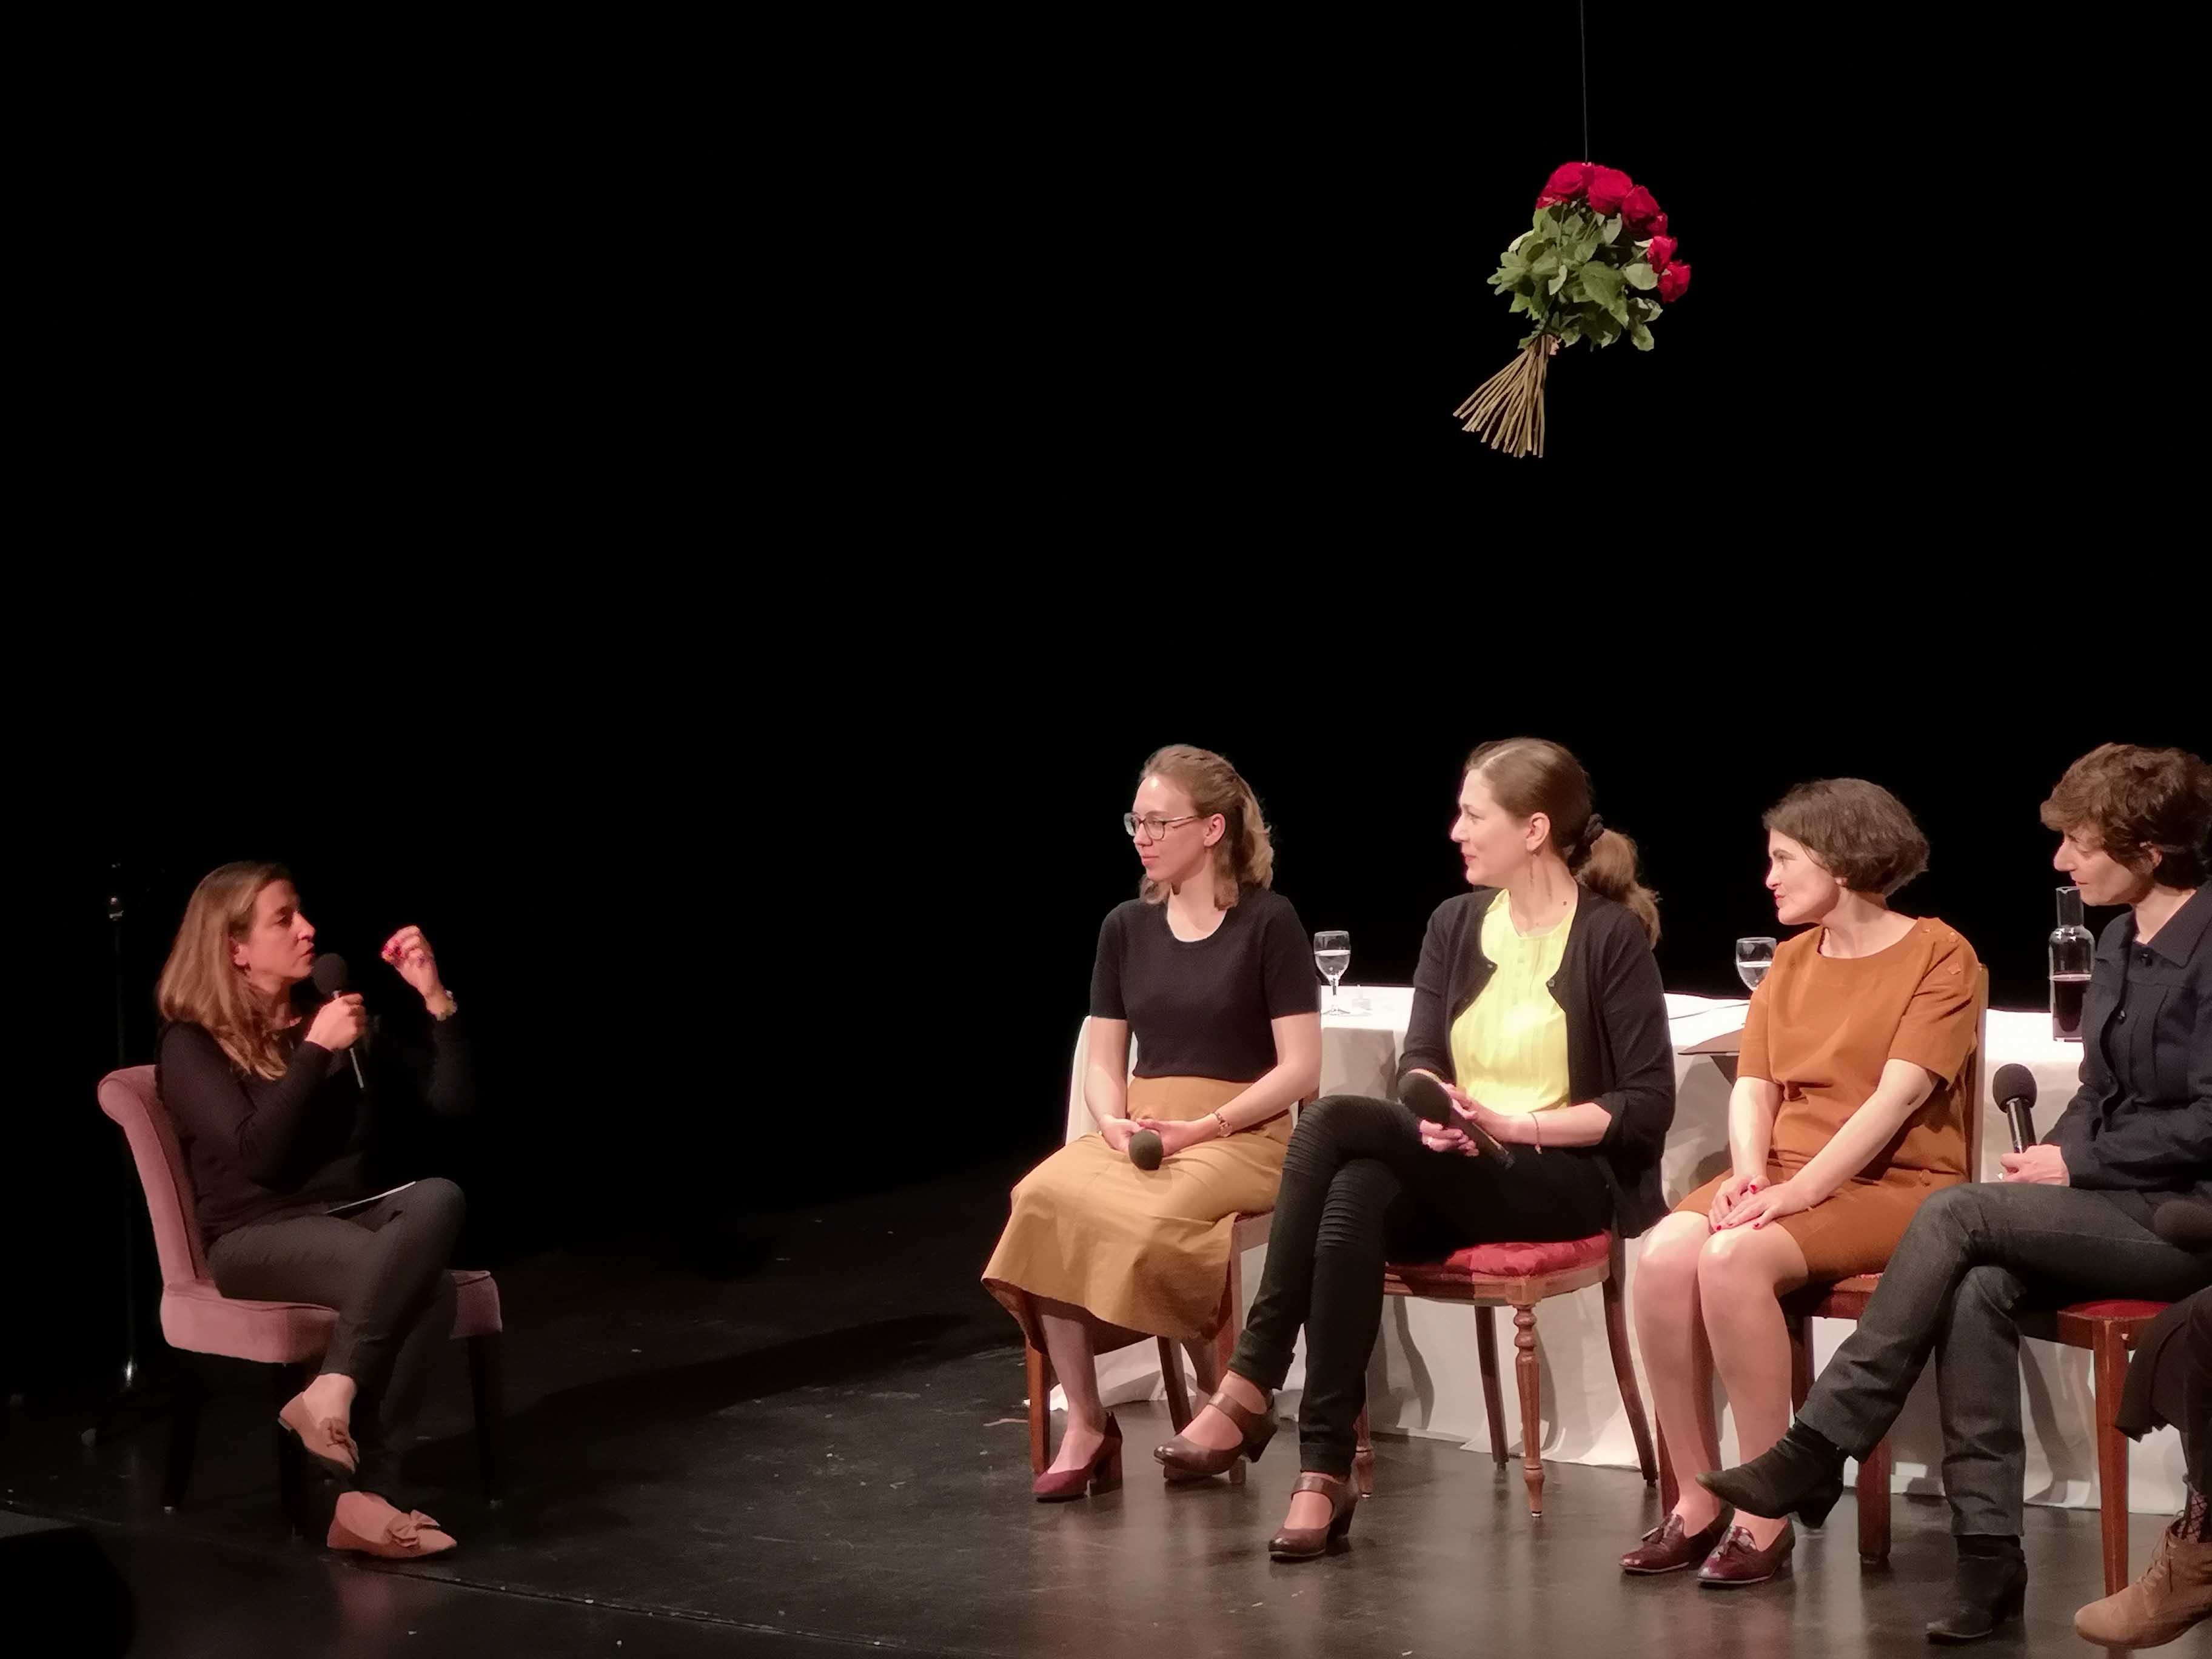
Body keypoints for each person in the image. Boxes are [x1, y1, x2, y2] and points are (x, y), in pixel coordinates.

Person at [1704, 743, 2212, 1643]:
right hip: (2117, 1204)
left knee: (1956, 1208)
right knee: (1977, 1283)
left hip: (2189, 1217)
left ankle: (1818, 1445)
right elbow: (2098, 1092)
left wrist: (2081, 1167)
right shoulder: (2120, 941)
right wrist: (2055, 1152)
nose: (2061, 858)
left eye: (2081, 842)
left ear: (2149, 850)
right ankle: (1988, 1557)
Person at [1153, 737, 1674, 1560]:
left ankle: (1251, 1382)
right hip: (1465, 1166)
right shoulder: (1455, 924)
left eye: (1474, 815)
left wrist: (1512, 1126)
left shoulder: (1608, 937)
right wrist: (1437, 1112)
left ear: (1534, 829)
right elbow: (1420, 1059)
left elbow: (1645, 1107)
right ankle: (1322, 1473)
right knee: (1355, 1191)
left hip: (1564, 1178)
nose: (1456, 831)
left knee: (1330, 1122)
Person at [1626, 780, 1980, 1587]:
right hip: (1787, 1174)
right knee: (1667, 1254)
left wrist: (1798, 1193)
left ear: (1840, 861)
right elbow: (1754, 1087)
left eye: (1785, 859)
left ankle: (1765, 1513)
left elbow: (1897, 1099)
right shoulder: (1789, 960)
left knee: (1731, 1259)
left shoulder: (1939, 954)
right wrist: (1753, 1174)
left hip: (1897, 1183)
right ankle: (1695, 1499)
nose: (1770, 878)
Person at [982, 746, 1321, 1501]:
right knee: (1042, 1199)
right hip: (1144, 1124)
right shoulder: (1126, 927)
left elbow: (1301, 1068)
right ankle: (1089, 1423)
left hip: (1244, 1133)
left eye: (1159, 822)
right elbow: (1105, 1057)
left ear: (1213, 828)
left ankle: (1221, 1399)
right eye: (1136, 822)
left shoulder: (1268, 922)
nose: (1143, 836)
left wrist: (1204, 1128)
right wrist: (1109, 1121)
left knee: (1160, 1217)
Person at [156, 862, 478, 1560]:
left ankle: (332, 1396)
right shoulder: (191, 1043)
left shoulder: (331, 1014)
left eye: (301, 913)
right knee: (431, 1287)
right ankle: (368, 1497)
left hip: (347, 1215)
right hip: (253, 1237)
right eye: (284, 919)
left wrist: (435, 999)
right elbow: (257, 1156)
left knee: (440, 1196)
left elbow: (452, 1105)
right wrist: (313, 1052)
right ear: (236, 948)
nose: (308, 929)